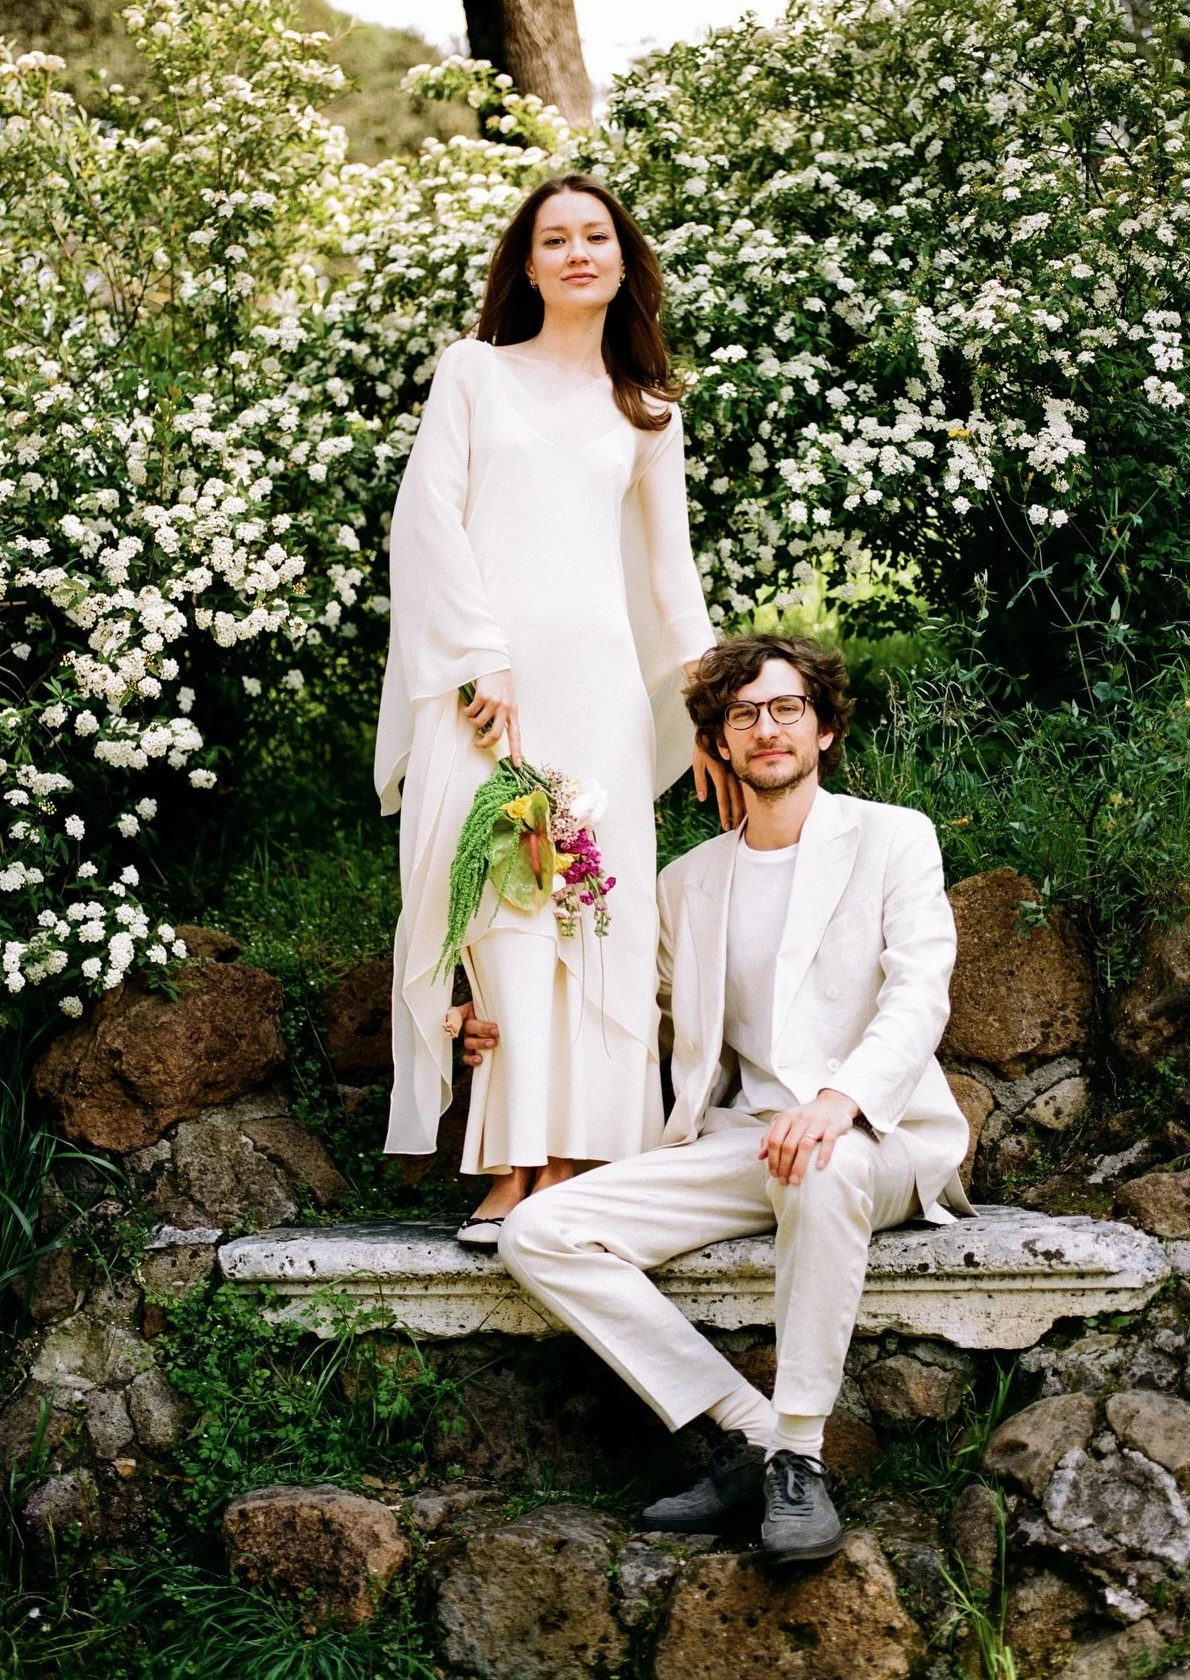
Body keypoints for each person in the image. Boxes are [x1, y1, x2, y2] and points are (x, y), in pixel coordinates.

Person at [482, 634, 973, 1561]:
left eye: (787, 708)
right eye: (743, 714)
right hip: (741, 1140)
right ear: (719, 742)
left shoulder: (892, 837)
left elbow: (921, 990)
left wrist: (839, 1100)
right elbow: (620, 1010)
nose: (767, 727)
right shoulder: (687, 882)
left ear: (824, 729)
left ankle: (799, 1460)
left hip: (877, 1135)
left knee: (822, 1173)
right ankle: (750, 1432)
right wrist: (495, 1025)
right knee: (537, 1233)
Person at [373, 174, 739, 1247]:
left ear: (624, 260)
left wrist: (713, 712)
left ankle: (582, 1165)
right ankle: (512, 1158)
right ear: (525, 265)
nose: (578, 252)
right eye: (554, 238)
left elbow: (674, 581)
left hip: (598, 693)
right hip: (488, 692)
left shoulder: (648, 409)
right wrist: (481, 658)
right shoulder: (474, 373)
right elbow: (428, 521)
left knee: (599, 915)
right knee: (504, 904)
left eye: (597, 236)